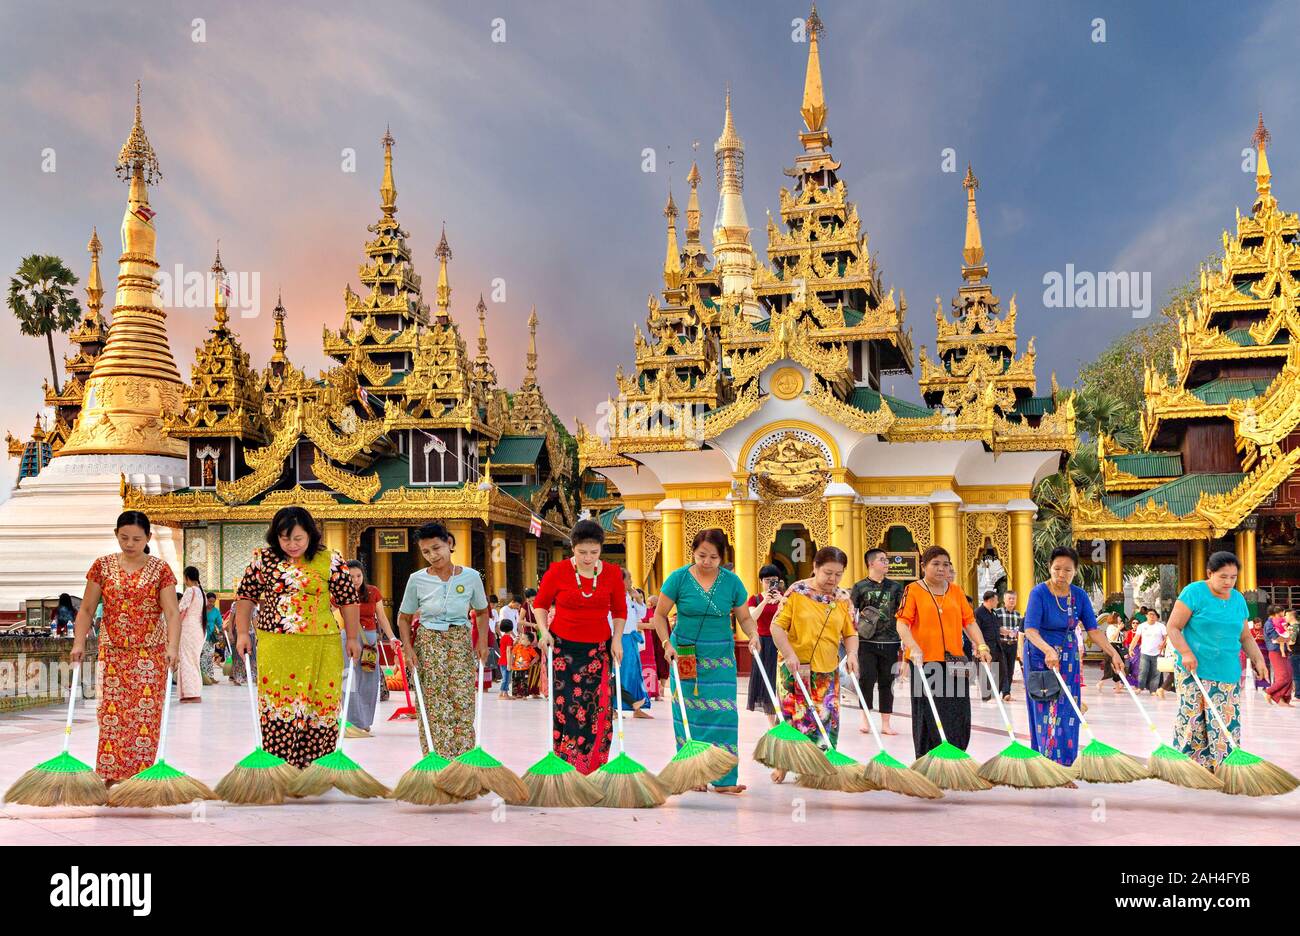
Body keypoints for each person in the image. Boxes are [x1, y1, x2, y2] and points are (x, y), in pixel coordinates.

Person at [234, 506, 362, 769]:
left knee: (319, 703)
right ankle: (279, 767)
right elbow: (245, 596)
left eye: (298, 539)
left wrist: (351, 638)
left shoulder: (330, 559)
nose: (291, 545)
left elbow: (349, 600)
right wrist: (242, 633)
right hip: (276, 643)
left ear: (310, 536)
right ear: (275, 537)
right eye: (285, 538)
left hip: (321, 643)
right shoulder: (263, 559)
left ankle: (316, 769)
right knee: (280, 703)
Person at [69, 511, 181, 785]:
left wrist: (173, 647)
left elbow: (172, 612)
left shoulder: (160, 570)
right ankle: (110, 775)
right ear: (116, 534)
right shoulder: (102, 567)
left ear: (148, 538)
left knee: (145, 716)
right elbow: (85, 608)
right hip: (114, 652)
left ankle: (141, 778)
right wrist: (79, 641)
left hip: (150, 654)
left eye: (136, 539)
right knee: (112, 715)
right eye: (124, 538)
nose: (130, 544)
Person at [650, 528, 760, 794]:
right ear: (693, 553)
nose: (707, 561)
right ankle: (693, 774)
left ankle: (724, 779)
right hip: (684, 654)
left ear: (722, 557)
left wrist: (754, 634)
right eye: (701, 555)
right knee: (690, 715)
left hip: (720, 656)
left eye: (713, 557)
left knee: (724, 715)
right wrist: (666, 644)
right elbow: (659, 615)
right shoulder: (678, 578)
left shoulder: (732, 582)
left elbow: (744, 618)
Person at [532, 519, 627, 774]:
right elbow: (540, 605)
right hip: (563, 650)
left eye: (594, 552)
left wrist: (617, 638)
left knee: (597, 709)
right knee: (568, 709)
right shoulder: (557, 571)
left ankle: (593, 766)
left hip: (598, 650)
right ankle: (566, 766)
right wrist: (544, 632)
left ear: (601, 550)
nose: (588, 558)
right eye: (582, 552)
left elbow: (619, 610)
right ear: (572, 548)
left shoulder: (612, 574)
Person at [1165, 551, 1270, 771]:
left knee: (1225, 721)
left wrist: (1259, 659)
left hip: (1227, 669)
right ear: (1209, 573)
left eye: (1233, 577)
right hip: (1193, 668)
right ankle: (1190, 768)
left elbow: (1245, 636)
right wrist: (1185, 652)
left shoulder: (1238, 599)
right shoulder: (1194, 592)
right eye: (1223, 576)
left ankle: (1224, 768)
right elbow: (1173, 627)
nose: (1229, 582)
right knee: (1193, 718)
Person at [1022, 547, 1123, 765]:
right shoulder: (1039, 593)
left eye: (1067, 570)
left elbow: (1094, 630)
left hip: (1068, 655)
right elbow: (1030, 630)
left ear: (1075, 571)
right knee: (1046, 709)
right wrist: (1048, 649)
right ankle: (1046, 763)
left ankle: (1065, 764)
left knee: (1068, 709)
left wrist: (1113, 653)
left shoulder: (1079, 595)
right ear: (1049, 568)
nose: (1061, 574)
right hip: (1040, 654)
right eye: (1057, 568)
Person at [397, 522, 489, 759]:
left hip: (459, 642)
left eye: (436, 548)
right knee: (433, 706)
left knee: (462, 702)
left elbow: (481, 611)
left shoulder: (471, 577)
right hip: (429, 644)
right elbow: (404, 618)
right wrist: (408, 649)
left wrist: (482, 643)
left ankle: (463, 764)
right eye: (426, 552)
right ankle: (437, 763)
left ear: (449, 544)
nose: (432, 556)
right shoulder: (416, 580)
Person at [769, 547, 858, 782]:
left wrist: (852, 654)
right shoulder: (797, 592)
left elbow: (850, 633)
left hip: (827, 669)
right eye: (828, 573)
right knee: (793, 718)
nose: (833, 579)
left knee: (825, 718)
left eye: (839, 574)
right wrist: (789, 654)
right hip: (795, 667)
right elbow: (777, 627)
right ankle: (783, 764)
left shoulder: (841, 599)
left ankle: (818, 768)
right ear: (815, 568)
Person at [894, 545, 991, 759]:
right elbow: (902, 623)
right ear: (923, 566)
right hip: (924, 662)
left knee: (959, 712)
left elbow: (970, 622)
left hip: (956, 661)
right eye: (935, 564)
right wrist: (914, 647)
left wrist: (981, 645)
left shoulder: (956, 591)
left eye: (945, 564)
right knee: (927, 714)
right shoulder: (913, 590)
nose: (941, 569)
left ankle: (955, 759)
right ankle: (928, 761)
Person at [849, 548, 904, 735]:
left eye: (887, 560)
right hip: (866, 642)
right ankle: (865, 719)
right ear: (871, 563)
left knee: (887, 682)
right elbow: (850, 612)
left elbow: (902, 614)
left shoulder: (896, 588)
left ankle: (886, 723)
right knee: (866, 680)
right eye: (882, 560)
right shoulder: (860, 587)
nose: (886, 563)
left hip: (891, 642)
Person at [342, 560, 397, 735]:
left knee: (368, 680)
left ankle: (365, 721)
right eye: (351, 577)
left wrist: (392, 637)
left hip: (369, 640)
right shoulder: (341, 593)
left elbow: (381, 617)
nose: (356, 580)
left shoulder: (373, 592)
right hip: (348, 639)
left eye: (358, 576)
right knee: (349, 679)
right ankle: (351, 721)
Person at [746, 564, 786, 726]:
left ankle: (784, 717)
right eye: (768, 580)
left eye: (775, 580)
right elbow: (752, 618)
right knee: (767, 681)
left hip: (782, 642)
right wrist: (765, 602)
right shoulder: (755, 599)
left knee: (783, 681)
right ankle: (772, 724)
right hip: (764, 643)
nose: (771, 584)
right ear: (761, 581)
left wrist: (781, 600)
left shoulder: (785, 598)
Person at [617, 568, 652, 717]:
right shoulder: (614, 597)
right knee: (620, 673)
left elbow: (642, 614)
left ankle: (636, 708)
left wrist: (638, 599)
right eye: (628, 578)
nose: (631, 581)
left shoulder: (628, 596)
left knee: (634, 672)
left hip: (630, 639)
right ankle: (614, 707)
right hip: (620, 639)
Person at [176, 566, 206, 703]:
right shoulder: (202, 592)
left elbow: (181, 610)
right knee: (193, 660)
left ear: (187, 576)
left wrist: (173, 628)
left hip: (188, 629)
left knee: (187, 660)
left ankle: (190, 694)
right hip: (198, 629)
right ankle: (194, 692)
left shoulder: (190, 591)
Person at [974, 590, 1002, 702]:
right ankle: (986, 696)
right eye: (996, 600)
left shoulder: (994, 613)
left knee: (1001, 670)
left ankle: (994, 693)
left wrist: (1006, 632)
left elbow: (997, 628)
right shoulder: (978, 612)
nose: (997, 602)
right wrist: (977, 647)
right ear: (990, 600)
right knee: (984, 671)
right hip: (985, 646)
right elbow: (975, 631)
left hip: (997, 645)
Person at [994, 590, 1022, 701]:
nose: (1011, 601)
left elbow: (1019, 629)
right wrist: (1005, 632)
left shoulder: (1018, 615)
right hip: (1001, 644)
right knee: (1003, 668)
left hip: (1013, 644)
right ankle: (1006, 693)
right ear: (1004, 600)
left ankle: (1006, 691)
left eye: (1013, 599)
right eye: (1009, 598)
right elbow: (995, 628)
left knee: (1010, 669)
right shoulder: (997, 613)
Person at [1263, 605, 1293, 706]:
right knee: (1283, 676)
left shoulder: (1278, 622)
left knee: (1289, 675)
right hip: (1275, 652)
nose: (1284, 614)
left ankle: (1283, 699)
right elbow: (1276, 638)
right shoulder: (1269, 624)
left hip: (1283, 651)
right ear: (1278, 613)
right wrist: (1289, 639)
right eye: (1282, 612)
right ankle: (1269, 692)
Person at [1135, 609, 1167, 694]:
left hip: (1158, 653)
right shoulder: (1141, 626)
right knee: (1143, 671)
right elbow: (1136, 638)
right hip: (1145, 652)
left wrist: (1163, 644)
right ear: (1146, 616)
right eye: (1150, 614)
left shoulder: (1161, 626)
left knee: (1156, 673)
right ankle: (1140, 688)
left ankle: (1153, 690)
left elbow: (1166, 637)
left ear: (1156, 616)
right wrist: (1130, 648)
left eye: (1153, 615)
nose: (1152, 616)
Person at [509, 630, 542, 699]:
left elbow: (537, 657)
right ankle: (514, 694)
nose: (521, 640)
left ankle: (524, 695)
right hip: (516, 668)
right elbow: (512, 654)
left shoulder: (530, 649)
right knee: (515, 681)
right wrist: (511, 663)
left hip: (525, 669)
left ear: (529, 642)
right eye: (521, 638)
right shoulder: (517, 646)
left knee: (524, 682)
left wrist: (531, 663)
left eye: (523, 639)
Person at [200, 592, 222, 685]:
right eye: (209, 601)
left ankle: (210, 676)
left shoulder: (216, 611)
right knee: (202, 657)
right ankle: (202, 677)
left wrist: (221, 633)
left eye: (213, 602)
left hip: (210, 637)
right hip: (200, 636)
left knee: (209, 656)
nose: (211, 603)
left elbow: (219, 623)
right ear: (206, 600)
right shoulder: (201, 609)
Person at [497, 620, 516, 697]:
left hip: (502, 660)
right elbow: (508, 651)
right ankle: (502, 693)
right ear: (511, 628)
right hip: (506, 661)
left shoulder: (503, 638)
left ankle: (505, 693)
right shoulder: (509, 638)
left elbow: (507, 648)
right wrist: (509, 663)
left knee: (506, 678)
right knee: (506, 679)